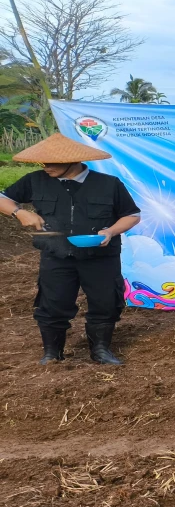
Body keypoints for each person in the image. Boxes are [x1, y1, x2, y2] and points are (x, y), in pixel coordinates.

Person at [0, 133, 141, 365]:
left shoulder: (108, 184)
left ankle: (101, 351)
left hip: (101, 256)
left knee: (105, 302)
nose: (46, 167)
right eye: (43, 162)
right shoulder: (34, 180)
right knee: (52, 303)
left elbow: (132, 215)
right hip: (56, 255)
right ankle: (52, 353)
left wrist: (110, 232)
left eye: (52, 162)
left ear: (73, 161)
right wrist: (19, 212)